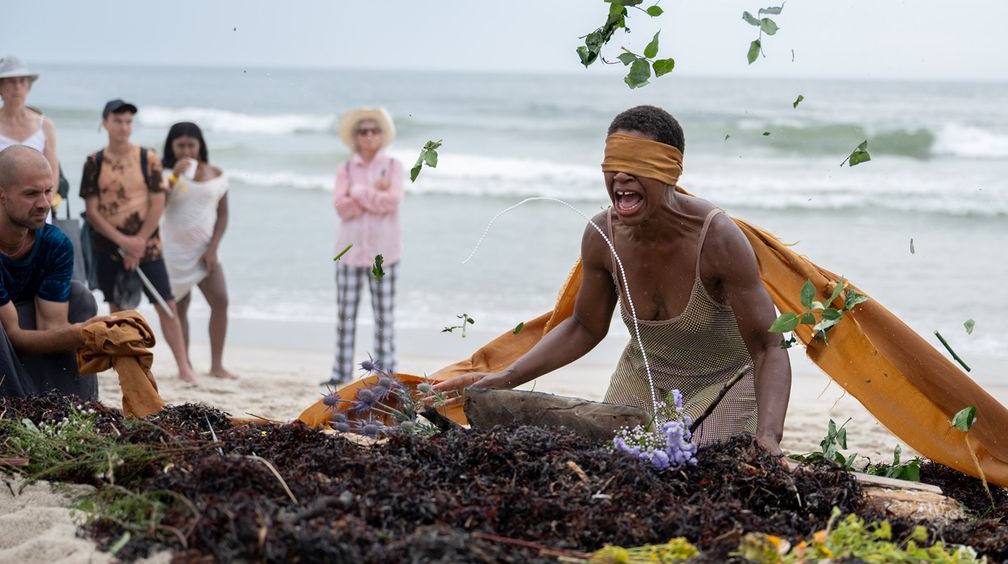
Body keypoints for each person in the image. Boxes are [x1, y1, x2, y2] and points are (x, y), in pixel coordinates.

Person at [432, 105, 791, 454]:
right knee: (610, 458)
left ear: (670, 171)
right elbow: (584, 327)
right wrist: (503, 378)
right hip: (645, 376)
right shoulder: (602, 235)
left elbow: (770, 348)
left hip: (725, 382)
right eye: (613, 164)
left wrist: (769, 437)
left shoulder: (717, 239)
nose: (620, 176)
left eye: (636, 164)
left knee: (685, 462)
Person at [80, 99, 199, 384]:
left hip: (148, 246)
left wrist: (138, 242)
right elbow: (93, 212)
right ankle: (126, 367)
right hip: (108, 247)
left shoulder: (148, 158)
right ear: (105, 123)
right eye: (118, 121)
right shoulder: (94, 162)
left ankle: (185, 368)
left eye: (128, 121)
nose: (124, 127)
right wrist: (123, 242)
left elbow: (158, 203)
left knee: (166, 304)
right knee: (117, 308)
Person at [0, 145, 102, 398]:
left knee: (80, 296)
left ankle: (74, 405)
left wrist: (92, 334)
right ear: (1, 195)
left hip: (22, 324)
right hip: (5, 334)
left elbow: (52, 328)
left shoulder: (55, 243)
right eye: (31, 194)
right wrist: (82, 333)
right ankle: (14, 406)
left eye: (48, 191)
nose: (44, 204)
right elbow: (13, 335)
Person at [324, 107, 403, 387]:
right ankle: (341, 373)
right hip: (349, 252)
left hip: (385, 253)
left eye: (374, 130)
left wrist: (358, 193)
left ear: (381, 135)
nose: (369, 135)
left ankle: (385, 374)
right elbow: (342, 208)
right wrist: (373, 195)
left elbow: (392, 202)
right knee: (345, 315)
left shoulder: (393, 166)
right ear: (355, 137)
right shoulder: (345, 169)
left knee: (384, 316)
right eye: (363, 131)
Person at [160, 122, 235, 379]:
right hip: (173, 251)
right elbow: (159, 206)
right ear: (171, 146)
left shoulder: (216, 173)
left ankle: (217, 365)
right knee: (180, 308)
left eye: (191, 145)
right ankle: (186, 366)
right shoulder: (164, 174)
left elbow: (223, 214)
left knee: (221, 300)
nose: (186, 151)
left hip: (205, 250)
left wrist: (213, 248)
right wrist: (175, 177)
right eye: (180, 145)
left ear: (200, 145)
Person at [0, 57, 59, 208]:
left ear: (28, 86)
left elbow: (53, 171)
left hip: (39, 208)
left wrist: (45, 204)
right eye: (11, 81)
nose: (17, 87)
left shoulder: (45, 124)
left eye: (22, 81)